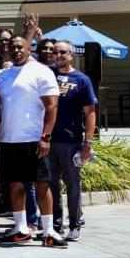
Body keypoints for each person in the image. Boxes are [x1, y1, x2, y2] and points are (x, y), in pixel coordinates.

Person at [0, 31, 63, 246]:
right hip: (8, 139)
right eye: (12, 48)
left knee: (42, 184)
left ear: (30, 49)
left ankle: (48, 231)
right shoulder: (3, 75)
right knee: (15, 185)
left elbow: (52, 106)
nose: (16, 50)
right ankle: (21, 228)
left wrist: (46, 137)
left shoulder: (42, 71)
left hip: (35, 139)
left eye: (21, 47)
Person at [48, 39, 98, 240]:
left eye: (62, 52)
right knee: (51, 184)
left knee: (73, 185)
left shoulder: (82, 80)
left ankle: (75, 225)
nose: (58, 55)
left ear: (71, 55)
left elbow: (90, 113)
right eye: (55, 52)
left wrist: (87, 143)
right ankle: (55, 225)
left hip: (70, 142)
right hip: (48, 141)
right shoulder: (47, 75)